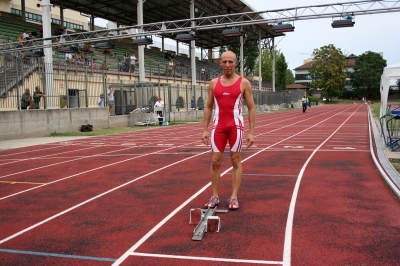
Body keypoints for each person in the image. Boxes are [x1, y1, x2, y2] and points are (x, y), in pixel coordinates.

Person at [202, 50, 255, 210]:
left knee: (235, 160)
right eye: (224, 62)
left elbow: (252, 108)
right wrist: (205, 129)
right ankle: (215, 196)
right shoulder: (213, 83)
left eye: (230, 62)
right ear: (220, 63)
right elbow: (208, 106)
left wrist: (252, 132)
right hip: (218, 126)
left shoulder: (244, 83)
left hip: (235, 126)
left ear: (236, 63)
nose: (227, 65)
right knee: (215, 161)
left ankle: (234, 197)